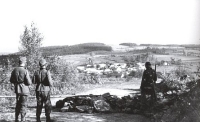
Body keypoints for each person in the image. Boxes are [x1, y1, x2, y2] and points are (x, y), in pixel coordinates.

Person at [10, 57, 32, 122]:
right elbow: (29, 82)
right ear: (24, 62)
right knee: (23, 105)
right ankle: (23, 119)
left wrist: (16, 82)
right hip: (24, 90)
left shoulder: (14, 70)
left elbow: (11, 80)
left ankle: (16, 119)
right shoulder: (25, 71)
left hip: (17, 89)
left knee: (18, 104)